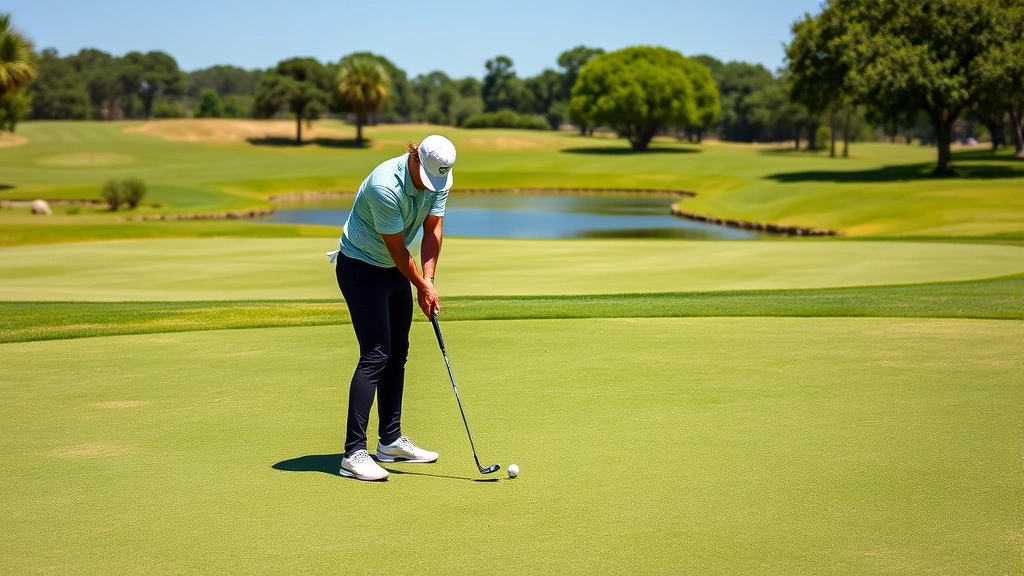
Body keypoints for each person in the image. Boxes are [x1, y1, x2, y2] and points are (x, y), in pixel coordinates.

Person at [328, 135, 456, 481]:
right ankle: (353, 454)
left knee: (398, 351)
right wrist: (421, 286)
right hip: (361, 266)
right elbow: (398, 250)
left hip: (392, 268)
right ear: (415, 158)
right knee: (375, 354)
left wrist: (428, 279)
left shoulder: (439, 176)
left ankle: (390, 441)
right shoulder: (385, 185)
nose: (434, 185)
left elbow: (433, 228)